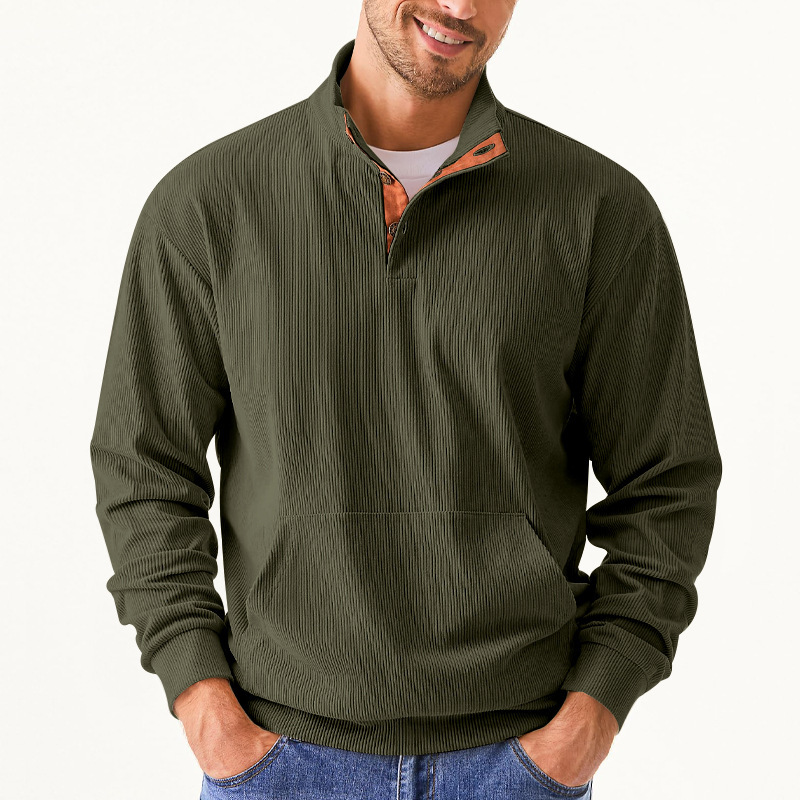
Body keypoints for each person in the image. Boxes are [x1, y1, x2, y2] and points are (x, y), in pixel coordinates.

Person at [89, 1, 723, 797]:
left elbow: (668, 480)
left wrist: (597, 703)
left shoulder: (597, 209)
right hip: (280, 758)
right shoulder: (210, 203)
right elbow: (143, 468)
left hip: (518, 760)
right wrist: (200, 696)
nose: (461, 6)